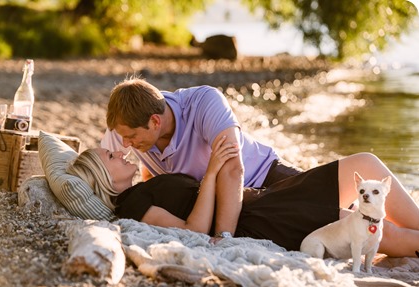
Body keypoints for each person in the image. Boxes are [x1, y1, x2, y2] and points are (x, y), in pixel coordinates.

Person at [101, 76, 419, 256]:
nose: (125, 147)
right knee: (354, 223)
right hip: (249, 209)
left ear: (155, 121)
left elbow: (233, 168)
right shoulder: (127, 132)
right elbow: (99, 168)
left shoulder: (202, 103)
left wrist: (225, 236)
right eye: (121, 140)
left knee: (365, 167)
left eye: (131, 138)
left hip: (266, 177)